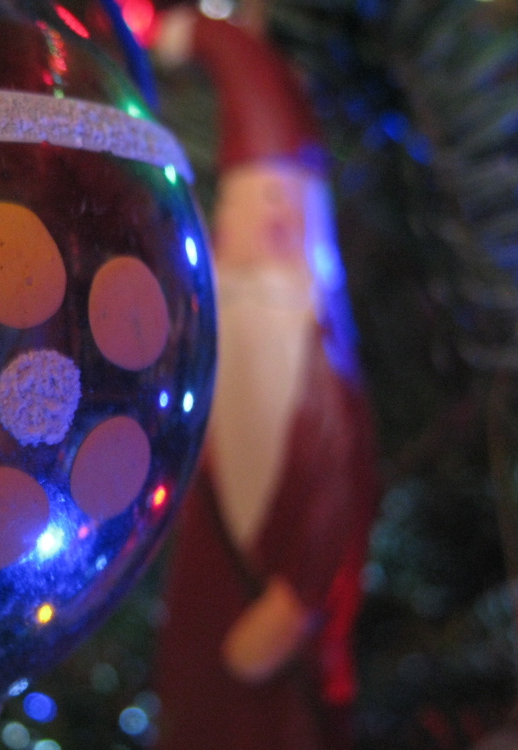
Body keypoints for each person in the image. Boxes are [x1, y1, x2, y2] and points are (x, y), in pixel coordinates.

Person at [152, 9, 382, 749]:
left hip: (279, 608)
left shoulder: (322, 372)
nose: (278, 222)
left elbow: (339, 485)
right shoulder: (213, 322)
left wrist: (296, 599)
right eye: (262, 203)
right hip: (213, 566)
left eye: (292, 207)